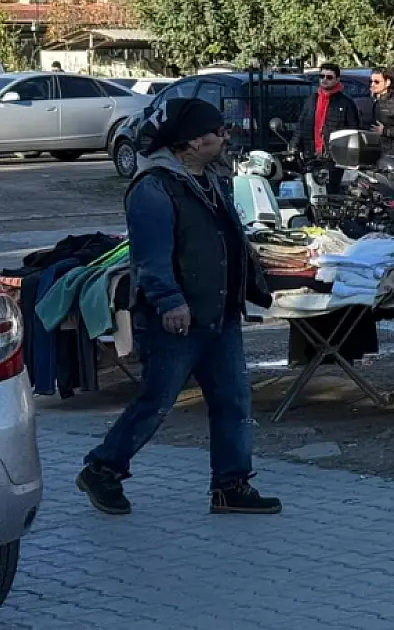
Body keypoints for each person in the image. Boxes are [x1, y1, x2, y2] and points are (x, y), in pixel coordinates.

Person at [76, 98, 280, 516]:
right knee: (156, 401)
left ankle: (231, 485)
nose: (225, 137)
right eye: (217, 131)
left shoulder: (212, 178)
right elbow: (151, 256)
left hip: (219, 312)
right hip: (176, 319)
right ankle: (102, 469)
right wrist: (170, 301)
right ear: (190, 141)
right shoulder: (154, 186)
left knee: (234, 401)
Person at [290, 62, 361, 158]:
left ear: (337, 79)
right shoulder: (311, 99)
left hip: (335, 156)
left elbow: (353, 131)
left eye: (329, 77)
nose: (324, 79)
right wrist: (293, 145)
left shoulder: (346, 103)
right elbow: (301, 124)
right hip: (311, 154)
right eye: (322, 76)